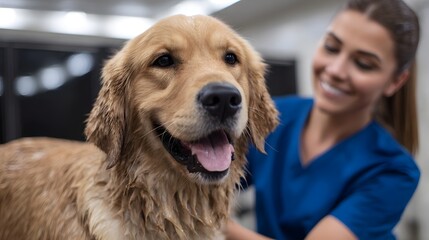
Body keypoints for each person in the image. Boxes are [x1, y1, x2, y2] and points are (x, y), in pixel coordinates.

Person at [225, 0, 421, 239]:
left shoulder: (394, 170)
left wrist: (213, 222)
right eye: (331, 47)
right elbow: (213, 180)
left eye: (363, 64)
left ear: (395, 82)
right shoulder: (275, 116)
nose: (336, 70)